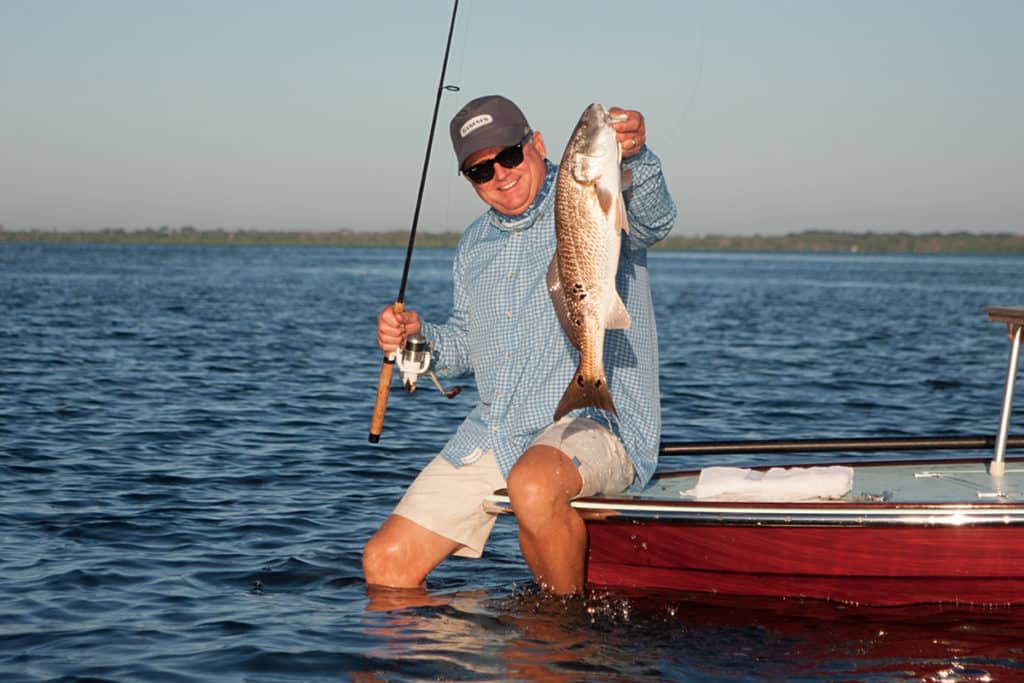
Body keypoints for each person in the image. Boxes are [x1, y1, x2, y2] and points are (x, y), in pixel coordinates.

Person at [363, 95, 677, 595]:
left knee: (532, 485)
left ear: (537, 145)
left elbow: (652, 222)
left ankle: (560, 643)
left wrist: (636, 156)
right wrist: (415, 343)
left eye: (508, 156)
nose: (500, 175)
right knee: (386, 564)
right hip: (498, 427)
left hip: (597, 419)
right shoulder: (474, 244)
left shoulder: (593, 192)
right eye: (480, 171)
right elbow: (466, 343)